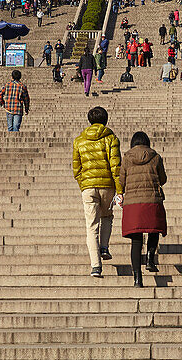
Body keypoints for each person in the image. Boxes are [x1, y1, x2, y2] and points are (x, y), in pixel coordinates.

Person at [72, 106, 123, 277]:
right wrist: (120, 189)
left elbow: (76, 168)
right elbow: (116, 166)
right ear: (105, 120)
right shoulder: (111, 138)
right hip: (107, 185)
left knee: (91, 226)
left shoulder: (79, 141)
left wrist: (83, 183)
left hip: (88, 187)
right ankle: (104, 247)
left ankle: (95, 266)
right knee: (107, 217)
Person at [119, 131, 168, 287]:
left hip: (133, 203)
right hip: (152, 200)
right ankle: (149, 258)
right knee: (154, 230)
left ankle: (137, 279)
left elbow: (121, 181)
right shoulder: (155, 157)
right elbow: (163, 179)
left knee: (136, 240)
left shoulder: (127, 158)